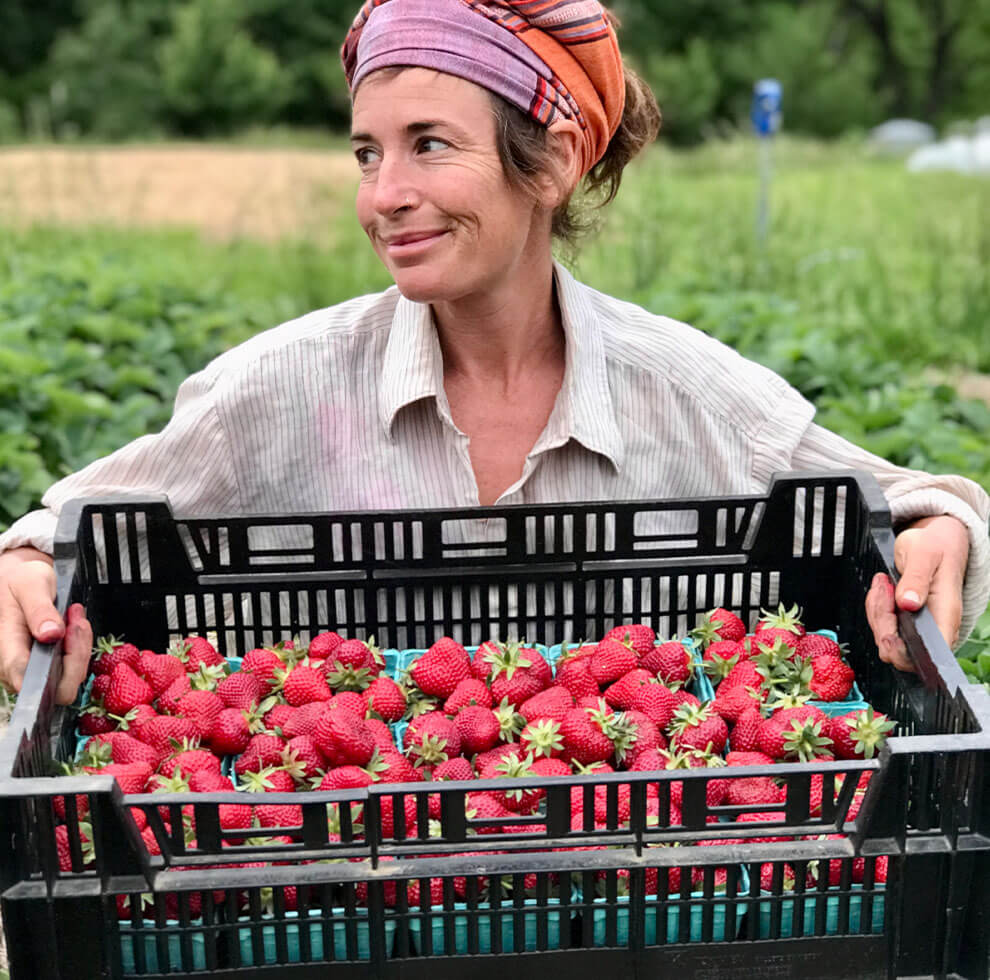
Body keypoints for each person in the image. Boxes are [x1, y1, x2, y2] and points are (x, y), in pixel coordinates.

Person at [0, 0, 987, 707]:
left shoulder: (689, 392)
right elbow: (60, 530)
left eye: (429, 144)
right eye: (366, 152)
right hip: (351, 884)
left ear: (553, 161)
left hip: (627, 881)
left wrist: (938, 532)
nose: (384, 193)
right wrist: (28, 559)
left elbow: (918, 501)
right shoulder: (274, 390)